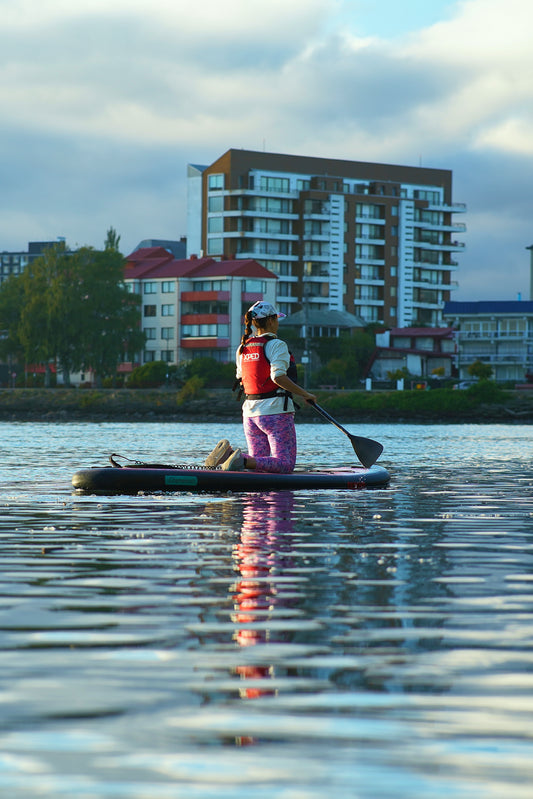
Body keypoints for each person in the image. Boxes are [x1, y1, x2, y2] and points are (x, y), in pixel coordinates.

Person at [205, 300, 316, 472]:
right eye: (276, 319)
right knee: (285, 464)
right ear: (271, 321)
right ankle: (237, 458)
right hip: (275, 413)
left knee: (257, 467)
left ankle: (229, 456)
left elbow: (241, 378)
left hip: (250, 415)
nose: (277, 323)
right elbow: (278, 377)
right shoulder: (277, 345)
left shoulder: (243, 347)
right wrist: (305, 394)